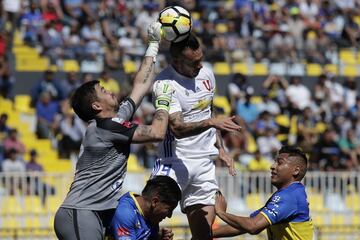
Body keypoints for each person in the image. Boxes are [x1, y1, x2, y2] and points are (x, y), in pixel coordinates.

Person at [54, 21, 173, 240]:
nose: (110, 90)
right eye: (103, 90)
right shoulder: (106, 127)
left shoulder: (112, 122)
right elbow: (157, 132)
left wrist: (153, 45)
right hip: (81, 212)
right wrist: (164, 103)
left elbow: (141, 85)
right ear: (96, 106)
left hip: (94, 214)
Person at [151, 33, 242, 240]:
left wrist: (221, 149)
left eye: (201, 59)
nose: (200, 66)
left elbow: (210, 113)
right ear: (176, 61)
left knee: (204, 235)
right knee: (149, 219)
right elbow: (178, 129)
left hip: (203, 164)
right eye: (194, 62)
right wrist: (211, 123)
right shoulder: (164, 84)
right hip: (173, 161)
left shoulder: (207, 74)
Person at [213, 146, 314, 240]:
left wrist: (221, 213)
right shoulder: (290, 193)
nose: (272, 166)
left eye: (280, 162)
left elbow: (253, 226)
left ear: (296, 171)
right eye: (275, 162)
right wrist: (207, 234)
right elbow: (245, 225)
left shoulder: (289, 196)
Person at [109, 175, 181, 240]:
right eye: (169, 210)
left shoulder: (150, 215)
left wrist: (158, 237)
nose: (169, 216)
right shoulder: (125, 214)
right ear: (155, 202)